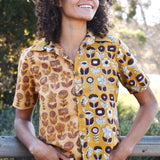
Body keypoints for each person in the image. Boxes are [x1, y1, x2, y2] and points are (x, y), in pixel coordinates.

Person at [13, 0, 158, 160]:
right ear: (57, 2)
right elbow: (21, 119)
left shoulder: (113, 49)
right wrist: (35, 146)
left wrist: (125, 148)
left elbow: (149, 103)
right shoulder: (33, 57)